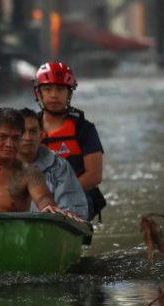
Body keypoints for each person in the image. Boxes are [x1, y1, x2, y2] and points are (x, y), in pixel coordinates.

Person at [34, 62, 106, 221]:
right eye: (47, 89)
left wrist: (59, 197)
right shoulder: (27, 127)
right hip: (37, 197)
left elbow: (94, 175)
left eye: (60, 89)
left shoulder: (84, 129)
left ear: (69, 94)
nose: (53, 95)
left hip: (77, 197)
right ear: (38, 94)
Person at [0, 108, 79, 220]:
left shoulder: (29, 172)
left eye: (15, 138)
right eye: (3, 137)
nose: (9, 144)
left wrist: (49, 207)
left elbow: (43, 198)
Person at [18, 108, 89, 219]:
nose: (27, 137)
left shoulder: (60, 167)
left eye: (33, 131)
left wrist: (63, 214)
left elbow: (70, 213)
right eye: (22, 132)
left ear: (41, 136)